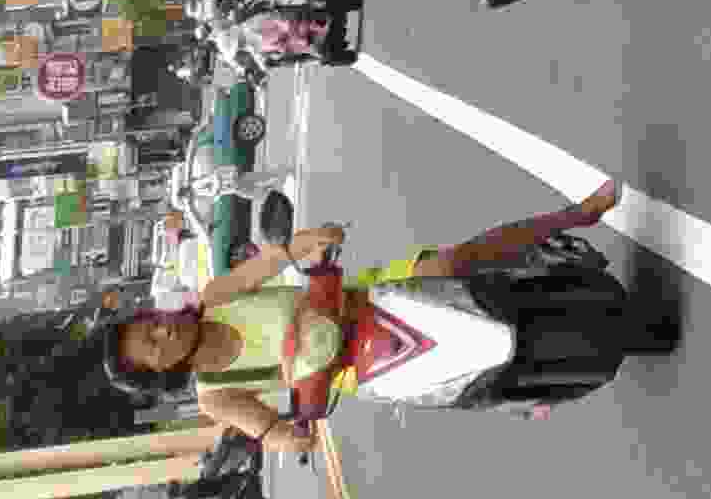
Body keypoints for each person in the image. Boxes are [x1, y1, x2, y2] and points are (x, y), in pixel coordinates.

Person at [108, 179, 626, 455]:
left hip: (368, 302)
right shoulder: (215, 395)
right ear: (161, 372)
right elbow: (264, 430)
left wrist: (312, 242)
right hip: (359, 370)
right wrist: (291, 436)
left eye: (150, 324)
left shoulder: (216, 294)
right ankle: (521, 396)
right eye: (153, 346)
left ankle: (576, 215)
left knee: (453, 262)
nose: (162, 331)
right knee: (459, 393)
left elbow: (274, 258)